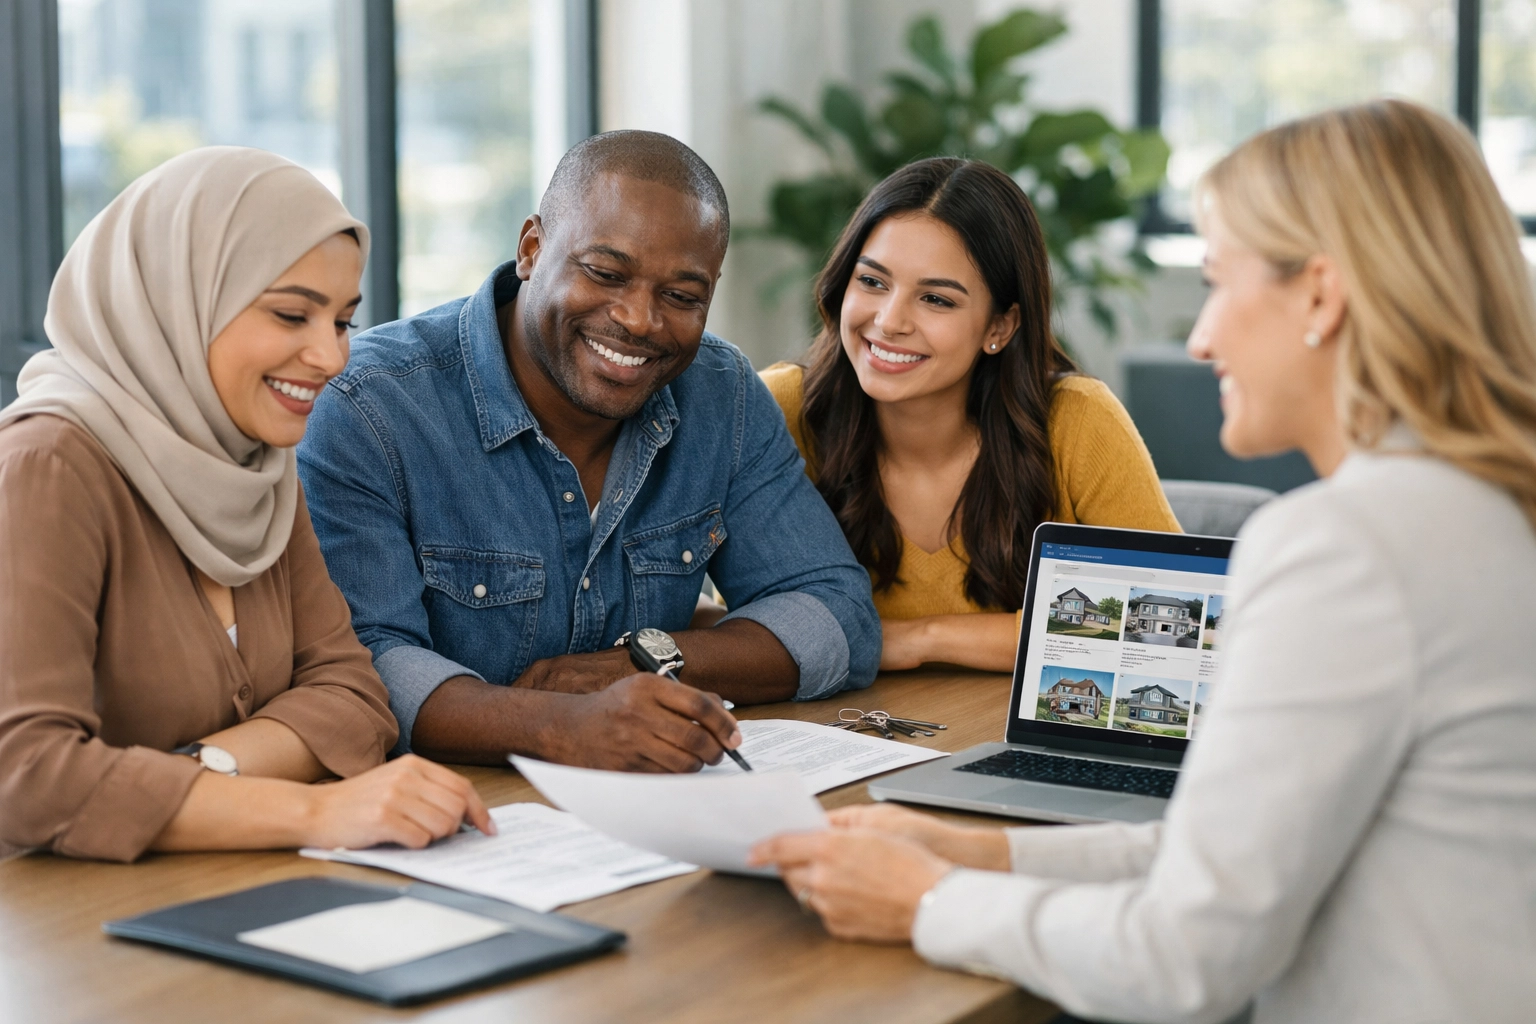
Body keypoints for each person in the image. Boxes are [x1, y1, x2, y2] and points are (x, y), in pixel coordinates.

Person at [751, 100, 1536, 1022]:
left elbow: (1184, 958)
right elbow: (1214, 850)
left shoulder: (1347, 550)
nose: (1200, 339)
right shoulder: (1482, 514)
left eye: (1216, 282)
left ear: (1320, 297)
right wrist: (970, 851)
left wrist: (922, 900)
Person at [297, 130, 880, 772]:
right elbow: (365, 664)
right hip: (450, 817)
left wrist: (633, 665)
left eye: (682, 297)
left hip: (647, 810)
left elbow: (836, 613)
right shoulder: (367, 407)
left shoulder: (722, 394)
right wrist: (562, 726)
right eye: (605, 273)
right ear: (531, 248)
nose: (639, 319)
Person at [0, 148, 492, 863]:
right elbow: (27, 775)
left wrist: (193, 774)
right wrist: (312, 810)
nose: (330, 357)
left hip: (209, 890)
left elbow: (354, 699)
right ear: (178, 299)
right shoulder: (48, 466)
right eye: (292, 314)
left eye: (343, 322)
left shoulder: (254, 465)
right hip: (58, 936)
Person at [760, 158, 1178, 673]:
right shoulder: (780, 411)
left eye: (936, 299)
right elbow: (731, 615)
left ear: (999, 326)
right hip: (838, 741)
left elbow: (1168, 623)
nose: (889, 322)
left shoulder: (1078, 422)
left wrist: (920, 639)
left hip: (1005, 746)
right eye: (872, 281)